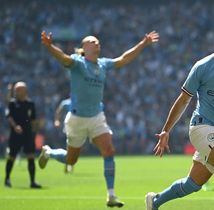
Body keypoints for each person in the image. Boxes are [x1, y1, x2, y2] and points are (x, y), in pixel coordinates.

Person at [145, 18, 214, 210]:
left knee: (193, 184)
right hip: (201, 127)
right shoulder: (203, 66)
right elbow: (183, 100)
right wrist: (166, 130)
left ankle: (155, 201)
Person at [38, 30, 159, 207]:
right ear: (84, 47)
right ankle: (48, 152)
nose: (97, 43)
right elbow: (63, 58)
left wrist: (143, 43)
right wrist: (50, 47)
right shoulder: (78, 63)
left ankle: (111, 195)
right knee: (71, 160)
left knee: (109, 151)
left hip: (96, 117)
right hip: (77, 119)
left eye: (98, 42)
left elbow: (123, 59)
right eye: (93, 41)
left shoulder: (103, 64)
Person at [4, 81, 41, 189]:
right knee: (12, 156)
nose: (17, 91)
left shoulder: (31, 104)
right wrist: (15, 127)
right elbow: (9, 117)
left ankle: (33, 181)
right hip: (15, 134)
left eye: (19, 89)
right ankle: (7, 179)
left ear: (25, 91)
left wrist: (35, 131)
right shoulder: (12, 103)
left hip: (28, 134)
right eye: (16, 90)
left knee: (30, 156)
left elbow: (34, 120)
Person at [53, 97, 74, 173]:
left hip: (78, 127)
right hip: (68, 126)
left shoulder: (80, 102)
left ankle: (69, 163)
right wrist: (57, 120)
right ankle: (68, 163)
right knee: (69, 144)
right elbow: (58, 111)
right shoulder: (66, 103)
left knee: (73, 145)